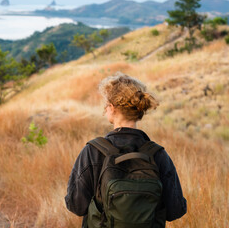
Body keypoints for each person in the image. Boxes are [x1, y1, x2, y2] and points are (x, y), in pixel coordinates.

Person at [65, 72, 187, 227]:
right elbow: (175, 210)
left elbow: (76, 205)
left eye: (106, 104)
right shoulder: (158, 154)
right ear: (139, 109)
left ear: (112, 107)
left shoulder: (93, 151)